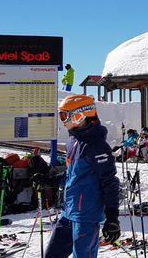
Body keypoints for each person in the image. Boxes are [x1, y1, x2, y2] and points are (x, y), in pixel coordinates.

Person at [45, 95, 120, 258]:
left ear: (80, 115)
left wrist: (112, 216)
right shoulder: (73, 141)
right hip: (69, 211)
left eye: (65, 115)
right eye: (61, 115)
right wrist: (49, 179)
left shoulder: (97, 146)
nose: (62, 120)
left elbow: (110, 182)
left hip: (86, 215)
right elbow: (72, 173)